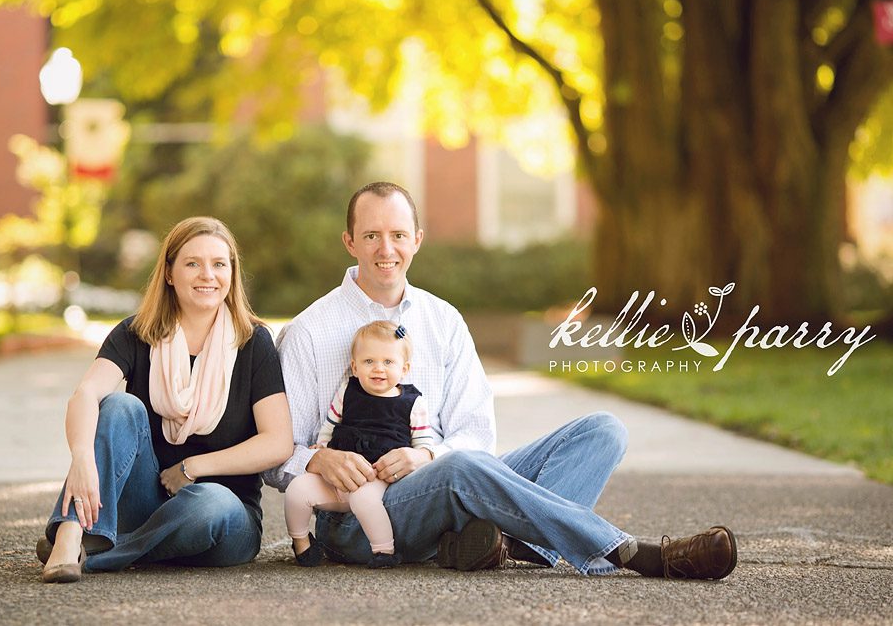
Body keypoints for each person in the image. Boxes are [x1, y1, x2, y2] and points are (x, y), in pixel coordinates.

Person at [263, 182, 737, 580]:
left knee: (602, 431)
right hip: (355, 516)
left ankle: (503, 544)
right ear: (349, 241)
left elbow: (476, 433)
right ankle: (633, 553)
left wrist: (425, 454)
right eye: (371, 235)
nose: (386, 250)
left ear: (418, 239)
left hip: (440, 479)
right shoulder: (309, 331)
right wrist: (321, 459)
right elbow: (276, 454)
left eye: (398, 235)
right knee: (463, 467)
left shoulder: (443, 321)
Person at [38, 216, 293, 583]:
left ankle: (101, 556)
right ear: (170, 273)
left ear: (231, 274)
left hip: (224, 518)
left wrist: (193, 468)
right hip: (144, 502)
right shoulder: (136, 332)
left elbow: (277, 442)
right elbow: (86, 394)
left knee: (210, 502)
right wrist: (81, 457)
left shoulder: (253, 342)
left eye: (219, 264)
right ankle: (70, 535)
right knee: (118, 406)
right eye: (193, 263)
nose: (208, 275)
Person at [283, 321, 433, 569]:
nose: (378, 369)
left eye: (388, 362)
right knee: (297, 490)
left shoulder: (413, 403)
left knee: (363, 500)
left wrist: (419, 457)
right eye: (368, 361)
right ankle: (302, 545)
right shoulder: (347, 391)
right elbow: (330, 426)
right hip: (337, 479)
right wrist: (321, 447)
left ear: (404, 368)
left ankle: (384, 551)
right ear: (354, 366)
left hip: (377, 477)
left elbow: (423, 444)